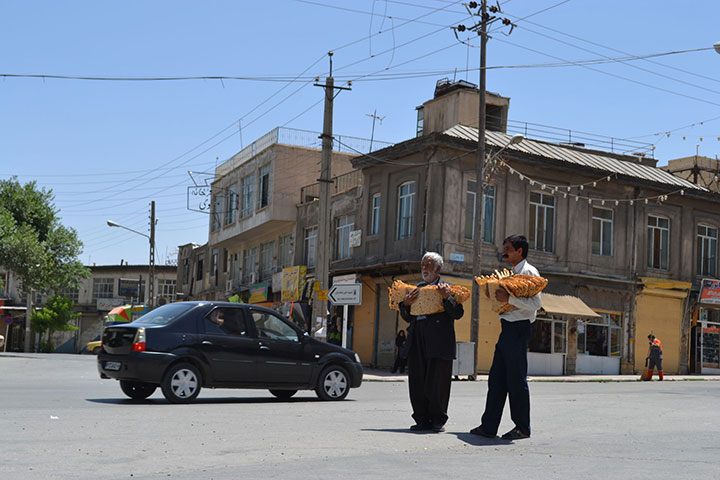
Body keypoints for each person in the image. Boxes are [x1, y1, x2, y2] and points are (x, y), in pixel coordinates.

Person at [470, 234, 542, 440]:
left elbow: (536, 305)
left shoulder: (528, 272)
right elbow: (507, 302)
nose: (504, 252)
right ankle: (489, 426)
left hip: (518, 329)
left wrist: (508, 297)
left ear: (520, 251)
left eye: (508, 248)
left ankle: (522, 427)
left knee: (516, 380)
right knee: (497, 380)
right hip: (507, 329)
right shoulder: (511, 273)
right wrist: (493, 295)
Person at [399, 252, 464, 433]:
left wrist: (446, 298)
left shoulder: (448, 289)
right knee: (417, 380)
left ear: (438, 269)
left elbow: (458, 313)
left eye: (428, 265)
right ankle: (421, 419)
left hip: (439, 340)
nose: (425, 269)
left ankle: (437, 419)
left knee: (438, 382)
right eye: (423, 265)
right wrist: (405, 304)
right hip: (418, 337)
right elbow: (406, 317)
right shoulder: (415, 290)